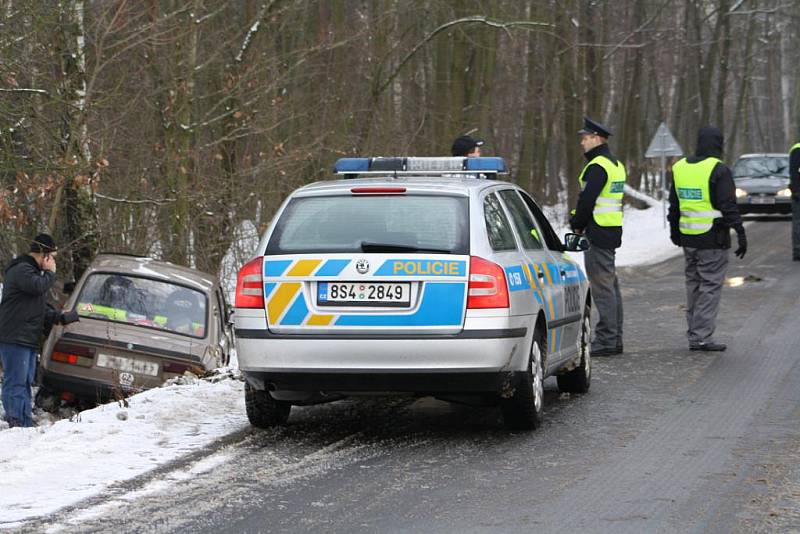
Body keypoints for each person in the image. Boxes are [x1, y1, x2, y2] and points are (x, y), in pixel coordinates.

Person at [668, 126, 746, 352]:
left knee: (693, 285)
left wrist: (674, 232)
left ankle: (695, 334)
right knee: (710, 286)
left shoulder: (680, 167)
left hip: (689, 238)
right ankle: (701, 337)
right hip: (713, 238)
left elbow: (674, 204)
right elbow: (728, 205)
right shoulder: (718, 169)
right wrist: (740, 232)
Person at [0, 233, 78, 427]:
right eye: (51, 257)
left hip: (27, 337)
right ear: (43, 254)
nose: (53, 262)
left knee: (26, 381)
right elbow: (37, 287)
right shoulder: (22, 270)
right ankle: (16, 421)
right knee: (16, 381)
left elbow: (40, 309)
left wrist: (63, 317)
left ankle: (23, 419)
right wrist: (51, 273)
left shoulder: (33, 275)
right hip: (15, 336)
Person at [570, 117, 626, 357]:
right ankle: (614, 338)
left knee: (602, 287)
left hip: (598, 230)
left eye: (585, 138)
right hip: (611, 229)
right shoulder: (615, 164)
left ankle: (607, 340)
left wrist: (577, 224)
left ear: (596, 138)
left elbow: (587, 200)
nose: (582, 142)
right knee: (610, 286)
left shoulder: (597, 166)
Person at [790, 140, 800, 261]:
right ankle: (798, 250)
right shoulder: (797, 149)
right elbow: (794, 173)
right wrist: (796, 191)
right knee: (798, 223)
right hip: (799, 194)